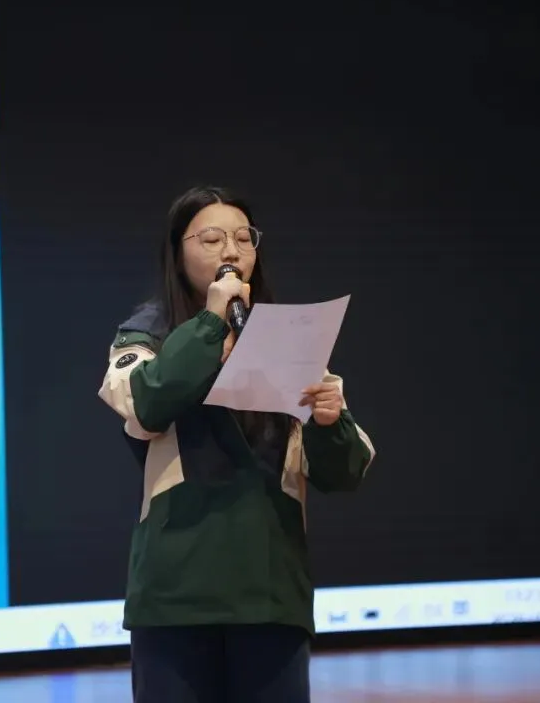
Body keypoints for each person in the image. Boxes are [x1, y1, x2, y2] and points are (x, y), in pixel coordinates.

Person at [97, 186, 376, 703]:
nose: (231, 251)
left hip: (270, 591)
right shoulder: (147, 333)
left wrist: (328, 420)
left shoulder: (287, 337)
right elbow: (145, 406)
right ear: (177, 252)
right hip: (175, 593)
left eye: (244, 239)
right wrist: (210, 324)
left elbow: (345, 472)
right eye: (211, 239)